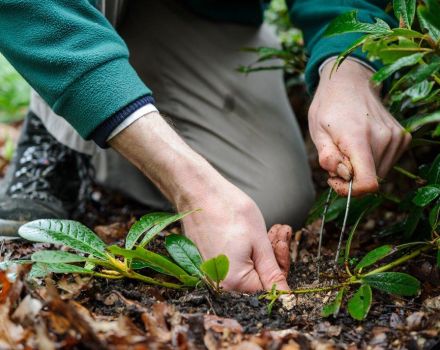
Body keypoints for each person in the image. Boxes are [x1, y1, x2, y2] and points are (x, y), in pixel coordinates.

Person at [0, 0, 411, 292]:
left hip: (205, 16)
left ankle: (113, 121)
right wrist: (191, 185)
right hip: (74, 9)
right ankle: (59, 134)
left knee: (272, 201)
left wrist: (348, 65)